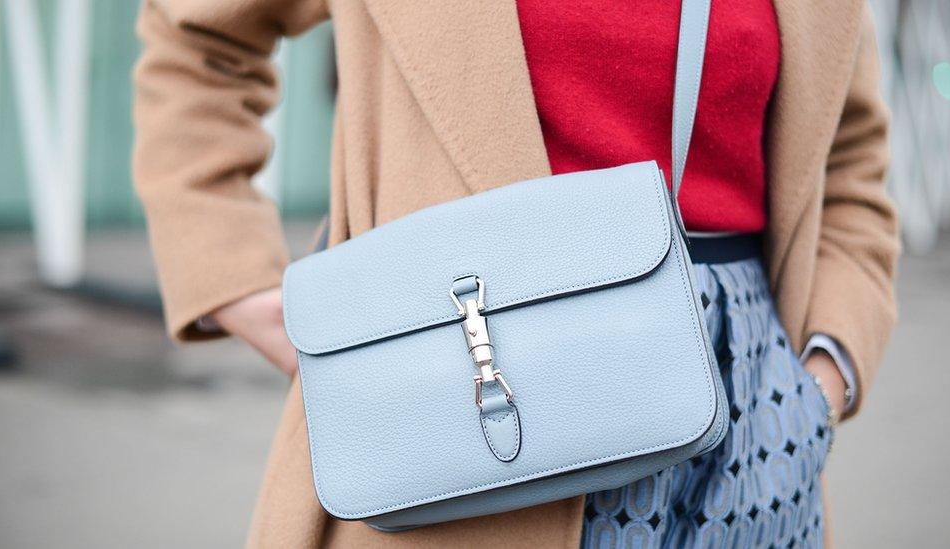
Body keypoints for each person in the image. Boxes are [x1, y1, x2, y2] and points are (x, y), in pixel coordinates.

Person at [132, 1, 898, 547]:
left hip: (752, 411)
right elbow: (195, 44)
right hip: (475, 386)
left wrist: (821, 381)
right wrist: (239, 280)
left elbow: (853, 156)